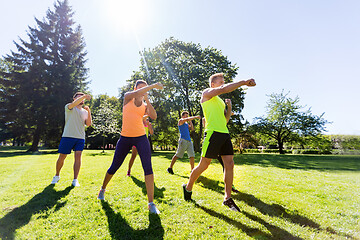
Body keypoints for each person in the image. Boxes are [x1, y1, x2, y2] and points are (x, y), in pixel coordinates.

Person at [182, 73, 256, 212]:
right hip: (212, 133)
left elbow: (226, 119)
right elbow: (224, 89)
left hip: (224, 133)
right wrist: (243, 82)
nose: (223, 84)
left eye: (223, 82)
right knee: (204, 165)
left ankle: (227, 198)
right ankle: (188, 187)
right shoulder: (206, 94)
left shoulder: (220, 101)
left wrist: (229, 107)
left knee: (230, 164)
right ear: (213, 84)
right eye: (220, 82)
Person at [97, 80, 163, 215]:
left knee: (148, 168)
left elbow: (154, 116)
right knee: (114, 166)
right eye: (141, 88)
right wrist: (153, 86)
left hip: (141, 138)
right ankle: (102, 189)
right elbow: (137, 93)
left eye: (145, 88)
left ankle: (151, 204)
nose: (143, 90)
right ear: (135, 88)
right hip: (125, 138)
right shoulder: (128, 97)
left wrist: (148, 100)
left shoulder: (144, 105)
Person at [51, 92, 92, 187]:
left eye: (82, 98)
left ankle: (75, 180)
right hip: (67, 136)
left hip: (80, 138)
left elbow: (88, 124)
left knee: (78, 158)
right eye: (79, 97)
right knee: (62, 157)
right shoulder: (69, 107)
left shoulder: (85, 112)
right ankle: (57, 175)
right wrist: (84, 96)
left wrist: (89, 111)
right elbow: (73, 104)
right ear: (74, 99)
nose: (81, 99)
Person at [202, 117, 239, 193]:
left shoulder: (220, 117)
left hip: (222, 138)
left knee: (226, 164)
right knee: (204, 164)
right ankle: (189, 184)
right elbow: (203, 119)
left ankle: (230, 186)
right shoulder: (209, 114)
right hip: (213, 138)